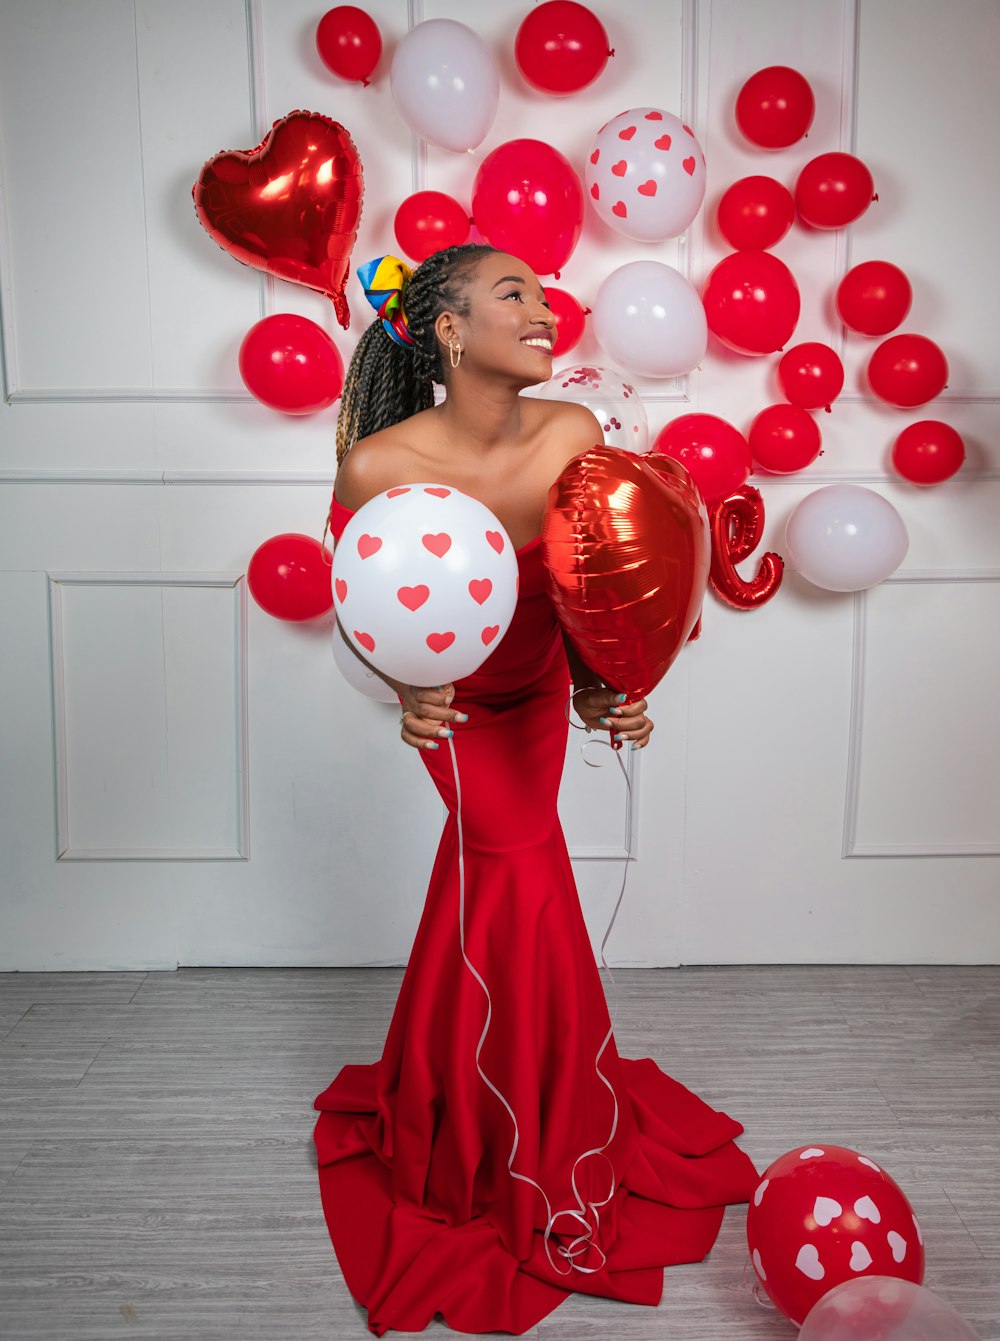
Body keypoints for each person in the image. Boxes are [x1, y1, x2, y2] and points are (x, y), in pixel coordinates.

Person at [312, 244, 757, 1337]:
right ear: (452, 330)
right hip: (456, 708)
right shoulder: (378, 465)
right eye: (513, 292)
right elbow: (362, 605)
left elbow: (589, 575)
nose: (545, 306)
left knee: (497, 883)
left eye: (542, 290)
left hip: (539, 684)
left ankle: (457, 1100)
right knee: (516, 865)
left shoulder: (570, 434)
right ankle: (529, 1140)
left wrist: (611, 688)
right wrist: (401, 692)